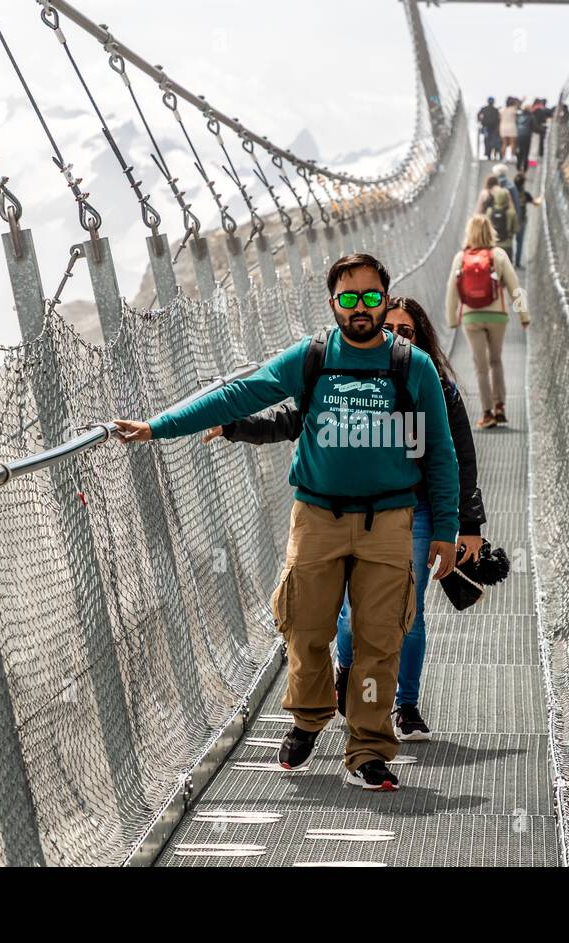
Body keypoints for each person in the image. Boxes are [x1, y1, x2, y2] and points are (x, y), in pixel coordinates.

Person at [114, 253, 460, 792]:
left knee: (378, 640)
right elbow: (238, 395)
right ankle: (308, 717)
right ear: (333, 304)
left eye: (372, 297)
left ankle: (368, 748)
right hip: (317, 517)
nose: (361, 308)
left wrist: (446, 528)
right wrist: (159, 428)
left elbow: (440, 452)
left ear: (385, 298)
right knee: (304, 626)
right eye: (349, 298)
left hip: (390, 521)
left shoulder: (411, 366)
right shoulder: (313, 358)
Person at [207, 297, 487, 742]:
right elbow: (292, 422)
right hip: (350, 512)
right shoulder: (346, 377)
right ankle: (348, 670)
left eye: (408, 332)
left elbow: (458, 457)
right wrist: (233, 425)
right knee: (351, 614)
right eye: (390, 328)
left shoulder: (432, 384)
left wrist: (465, 526)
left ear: (422, 339)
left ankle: (406, 706)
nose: (398, 337)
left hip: (414, 512)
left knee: (406, 614)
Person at [446, 215, 530, 430]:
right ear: (490, 231)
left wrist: (451, 318)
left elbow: (452, 290)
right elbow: (514, 286)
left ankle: (487, 413)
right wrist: (524, 315)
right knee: (496, 361)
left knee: (480, 367)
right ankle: (500, 406)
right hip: (497, 316)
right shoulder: (498, 255)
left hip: (471, 317)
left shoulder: (460, 257)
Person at [474, 174, 517, 261]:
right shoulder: (505, 192)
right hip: (504, 233)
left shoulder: (484, 193)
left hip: (488, 231)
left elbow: (477, 213)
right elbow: (512, 209)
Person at [512, 171, 542, 269]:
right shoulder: (526, 194)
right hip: (522, 221)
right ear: (523, 183)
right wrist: (541, 197)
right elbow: (536, 203)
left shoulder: (510, 193)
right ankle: (517, 262)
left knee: (509, 240)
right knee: (520, 242)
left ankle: (508, 261)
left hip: (511, 221)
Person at [477, 96, 501, 160]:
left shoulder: (484, 109)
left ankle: (488, 153)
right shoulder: (495, 110)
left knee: (487, 141)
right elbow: (498, 120)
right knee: (490, 141)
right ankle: (488, 153)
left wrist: (480, 121)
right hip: (490, 128)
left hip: (487, 127)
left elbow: (479, 115)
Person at [515, 101, 535, 172]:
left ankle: (518, 165)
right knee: (526, 151)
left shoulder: (519, 116)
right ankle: (525, 168)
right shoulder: (530, 117)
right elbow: (534, 127)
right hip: (527, 135)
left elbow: (516, 124)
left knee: (520, 150)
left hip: (519, 134)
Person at [499, 96, 520, 161]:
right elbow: (518, 116)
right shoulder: (513, 109)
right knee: (512, 142)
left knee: (504, 143)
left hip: (503, 127)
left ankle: (503, 157)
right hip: (511, 126)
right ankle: (512, 156)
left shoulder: (502, 110)